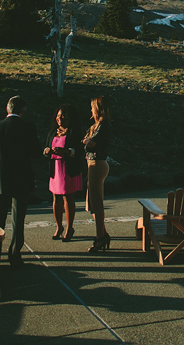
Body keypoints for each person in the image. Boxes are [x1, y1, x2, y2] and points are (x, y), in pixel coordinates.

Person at [0, 95, 41, 268]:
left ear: (7, 109)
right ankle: (15, 254)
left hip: (0, 179)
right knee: (18, 218)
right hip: (22, 178)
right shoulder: (29, 128)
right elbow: (36, 153)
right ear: (23, 111)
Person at [43, 103, 84, 242]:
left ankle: (69, 227)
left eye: (64, 117)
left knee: (68, 198)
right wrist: (47, 151)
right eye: (58, 116)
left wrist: (65, 151)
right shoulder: (52, 132)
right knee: (56, 199)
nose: (60, 119)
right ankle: (58, 226)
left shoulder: (74, 132)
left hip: (68, 169)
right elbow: (46, 148)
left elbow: (78, 151)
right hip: (55, 169)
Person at [82, 96, 112, 253]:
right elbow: (86, 141)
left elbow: (89, 143)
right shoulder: (96, 126)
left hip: (97, 164)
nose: (91, 111)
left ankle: (100, 236)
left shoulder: (103, 126)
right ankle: (103, 233)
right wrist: (87, 141)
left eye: (92, 108)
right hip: (92, 164)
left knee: (96, 201)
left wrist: (87, 141)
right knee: (92, 202)